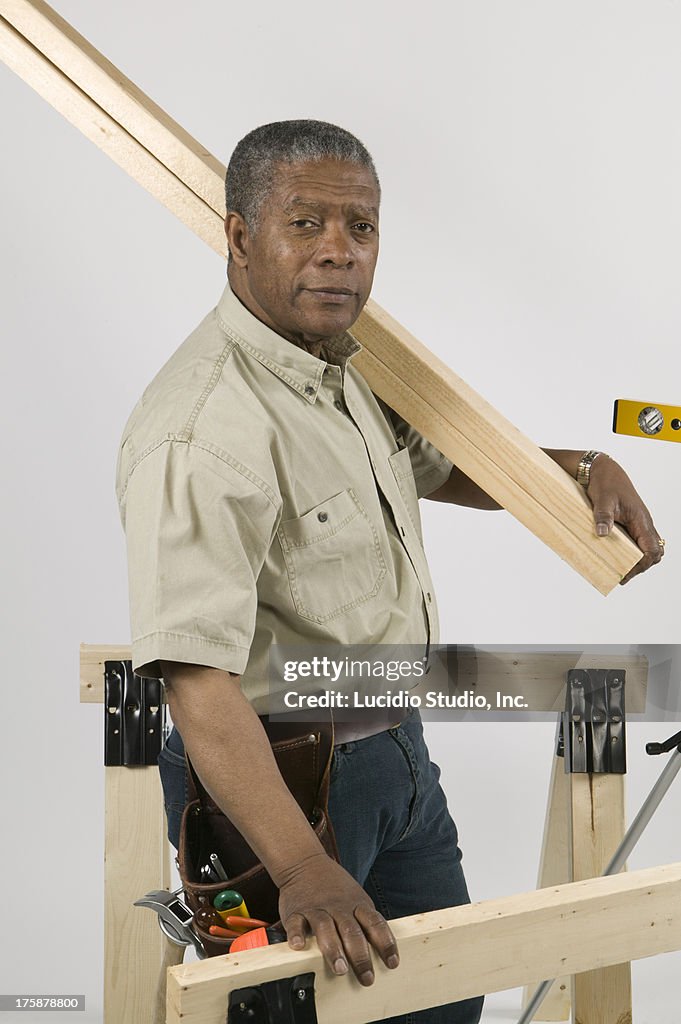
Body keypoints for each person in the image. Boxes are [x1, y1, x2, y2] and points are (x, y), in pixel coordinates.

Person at [116, 120, 664, 1024]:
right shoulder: (201, 430)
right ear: (239, 236)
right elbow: (195, 680)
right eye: (305, 224)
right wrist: (298, 867)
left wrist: (575, 468)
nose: (338, 253)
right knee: (292, 1012)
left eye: (359, 229)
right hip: (276, 788)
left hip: (393, 757)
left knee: (440, 1006)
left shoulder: (339, 372)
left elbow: (443, 468)